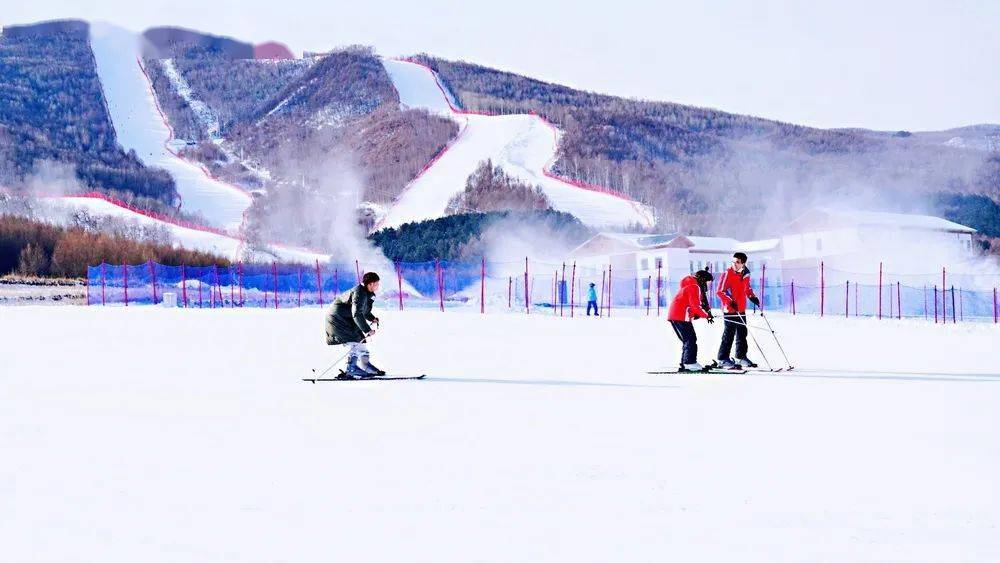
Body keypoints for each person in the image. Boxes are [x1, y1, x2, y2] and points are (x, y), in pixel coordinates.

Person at [325, 271, 384, 378]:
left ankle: (365, 365)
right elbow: (356, 313)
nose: (378, 286)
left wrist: (372, 318)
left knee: (359, 340)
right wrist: (367, 330)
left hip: (346, 318)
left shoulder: (366, 293)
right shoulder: (359, 293)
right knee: (353, 340)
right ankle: (351, 368)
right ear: (370, 284)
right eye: (376, 284)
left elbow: (363, 311)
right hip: (337, 319)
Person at [715, 252, 760, 369]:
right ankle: (722, 358)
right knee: (729, 334)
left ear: (743, 264)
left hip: (740, 308)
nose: (735, 264)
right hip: (729, 308)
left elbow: (747, 288)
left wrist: (752, 296)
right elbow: (720, 291)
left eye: (738, 262)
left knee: (742, 332)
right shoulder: (727, 273)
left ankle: (740, 356)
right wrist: (730, 301)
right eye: (733, 262)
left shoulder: (745, 274)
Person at [667, 270, 715, 371]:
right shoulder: (694, 287)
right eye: (707, 283)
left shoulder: (692, 285)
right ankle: (689, 363)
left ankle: (686, 362)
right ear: (703, 280)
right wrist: (707, 316)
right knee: (690, 339)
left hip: (678, 314)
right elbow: (695, 306)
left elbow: (691, 304)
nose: (707, 287)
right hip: (680, 315)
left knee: (688, 339)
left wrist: (697, 314)